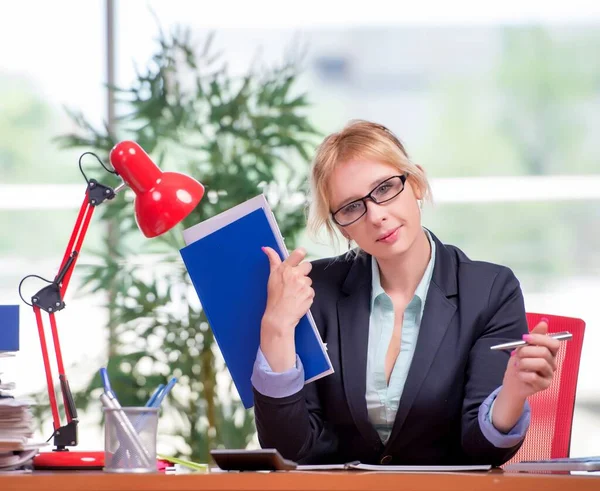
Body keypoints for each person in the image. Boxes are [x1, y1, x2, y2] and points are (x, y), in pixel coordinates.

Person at [250, 120, 559, 466]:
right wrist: (275, 328)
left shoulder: (490, 291)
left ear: (417, 183)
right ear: (343, 229)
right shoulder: (313, 291)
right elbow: (291, 451)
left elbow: (480, 451)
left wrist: (514, 392)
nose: (376, 216)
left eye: (384, 189)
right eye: (352, 207)